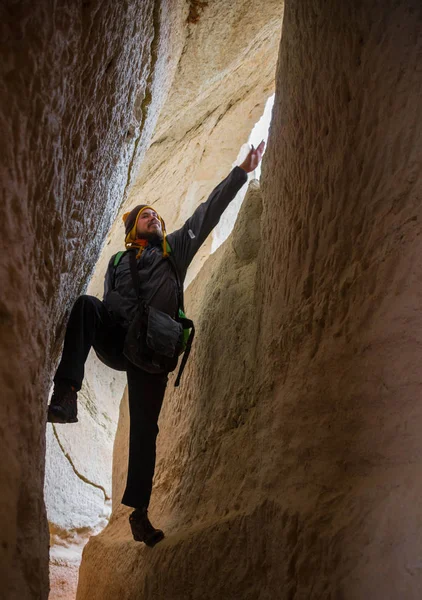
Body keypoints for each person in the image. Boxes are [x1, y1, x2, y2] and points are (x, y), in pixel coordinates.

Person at [47, 141, 265, 546]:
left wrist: (242, 171)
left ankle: (139, 515)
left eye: (158, 215)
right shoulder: (117, 262)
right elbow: (110, 299)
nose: (155, 218)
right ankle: (66, 393)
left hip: (152, 352)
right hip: (120, 340)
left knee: (146, 432)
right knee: (85, 306)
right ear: (134, 230)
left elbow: (207, 212)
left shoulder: (174, 251)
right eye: (147, 216)